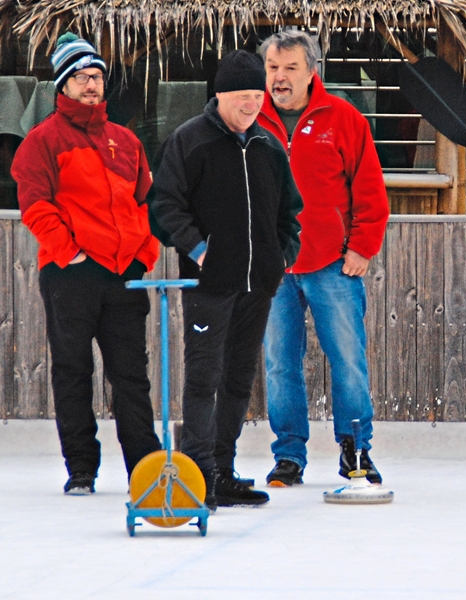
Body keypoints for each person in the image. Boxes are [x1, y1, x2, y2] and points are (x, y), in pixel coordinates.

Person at [11, 33, 162, 495]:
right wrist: (71, 253)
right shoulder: (41, 141)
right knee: (73, 371)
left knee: (131, 375)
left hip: (124, 274)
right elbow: (35, 205)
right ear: (63, 85)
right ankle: (81, 468)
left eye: (95, 76)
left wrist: (144, 253)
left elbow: (147, 202)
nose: (90, 84)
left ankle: (146, 468)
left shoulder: (127, 141)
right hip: (71, 273)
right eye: (80, 77)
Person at [151, 50, 303, 509]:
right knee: (204, 377)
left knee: (239, 378)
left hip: (258, 286)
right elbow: (163, 205)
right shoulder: (189, 140)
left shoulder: (269, 147)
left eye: (258, 96)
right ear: (220, 95)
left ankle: (223, 469)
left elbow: (289, 213)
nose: (253, 104)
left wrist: (280, 258)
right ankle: (197, 474)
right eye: (243, 96)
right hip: (209, 286)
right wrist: (199, 250)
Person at [256, 30, 389, 487]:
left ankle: (356, 450)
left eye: (290, 68)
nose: (280, 77)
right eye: (273, 68)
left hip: (332, 262)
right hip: (272, 268)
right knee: (278, 363)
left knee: (348, 358)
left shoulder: (344, 118)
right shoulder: (250, 120)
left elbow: (370, 189)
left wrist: (361, 246)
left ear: (312, 71)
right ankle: (289, 455)